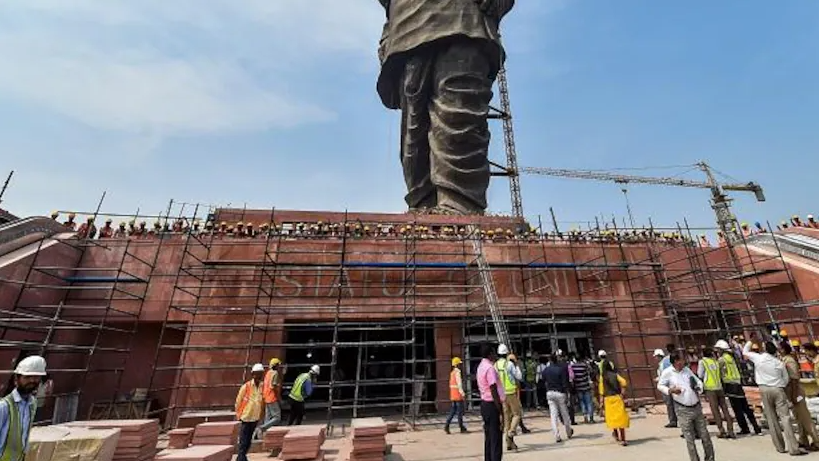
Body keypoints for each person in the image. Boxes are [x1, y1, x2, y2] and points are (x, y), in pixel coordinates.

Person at [375, 0, 516, 215]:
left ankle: (460, 204)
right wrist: (387, 32)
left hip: (464, 18)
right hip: (406, 22)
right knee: (415, 125)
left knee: (458, 114)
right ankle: (423, 204)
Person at [744, 339, 807, 456]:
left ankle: (780, 447)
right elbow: (786, 379)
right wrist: (779, 385)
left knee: (772, 419)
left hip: (764, 389)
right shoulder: (779, 363)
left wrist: (751, 341)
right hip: (778, 389)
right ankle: (793, 448)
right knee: (785, 418)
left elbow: (745, 351)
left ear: (765, 349)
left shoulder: (758, 358)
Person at [658, 352, 714, 461]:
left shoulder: (687, 370)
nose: (684, 362)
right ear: (675, 362)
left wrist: (699, 387)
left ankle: (710, 458)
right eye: (682, 360)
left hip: (696, 407)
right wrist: (670, 390)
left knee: (705, 436)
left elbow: (698, 381)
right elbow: (660, 385)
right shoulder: (668, 372)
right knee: (689, 438)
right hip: (682, 409)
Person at [0, 356, 46, 460]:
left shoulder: (32, 403)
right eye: (28, 377)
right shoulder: (4, 407)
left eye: (36, 377)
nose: (32, 381)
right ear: (17, 379)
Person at [714, 340, 760, 436]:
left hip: (730, 385)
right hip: (738, 383)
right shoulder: (733, 357)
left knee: (737, 409)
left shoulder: (722, 360)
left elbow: (718, 371)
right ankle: (756, 428)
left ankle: (744, 428)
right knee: (745, 407)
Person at [780, 342, 819, 451]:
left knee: (805, 418)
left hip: (796, 394)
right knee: (798, 418)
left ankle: (816, 441)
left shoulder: (790, 361)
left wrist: (794, 396)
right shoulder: (786, 360)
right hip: (792, 394)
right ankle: (803, 439)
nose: (804, 353)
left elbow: (794, 380)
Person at [697, 347, 735, 438]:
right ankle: (731, 431)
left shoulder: (703, 362)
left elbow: (700, 374)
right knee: (725, 409)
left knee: (715, 411)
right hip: (719, 388)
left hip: (710, 389)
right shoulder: (716, 362)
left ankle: (722, 430)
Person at [477, 343, 504, 461]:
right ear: (490, 354)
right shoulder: (490, 368)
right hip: (492, 404)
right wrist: (500, 409)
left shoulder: (481, 366)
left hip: (485, 404)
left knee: (488, 437)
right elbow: (493, 389)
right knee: (496, 438)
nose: (495, 355)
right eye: (493, 352)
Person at [235, 363, 265, 461]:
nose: (259, 376)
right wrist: (238, 414)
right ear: (253, 374)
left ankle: (241, 457)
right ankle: (241, 458)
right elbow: (238, 401)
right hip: (246, 416)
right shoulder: (246, 386)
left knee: (248, 441)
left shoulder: (262, 386)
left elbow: (262, 401)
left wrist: (261, 415)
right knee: (243, 440)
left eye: (260, 374)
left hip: (255, 417)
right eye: (257, 374)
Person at [494, 345, 521, 450]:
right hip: (511, 393)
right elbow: (519, 376)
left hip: (501, 394)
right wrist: (516, 363)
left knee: (507, 419)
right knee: (517, 414)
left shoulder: (495, 365)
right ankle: (511, 432)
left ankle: (508, 443)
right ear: (506, 354)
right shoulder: (509, 364)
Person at [541, 354, 573, 443]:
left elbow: (543, 379)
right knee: (564, 414)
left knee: (553, 415)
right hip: (560, 392)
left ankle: (557, 435)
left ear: (549, 361)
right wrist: (567, 393)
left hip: (550, 392)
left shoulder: (546, 370)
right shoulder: (560, 369)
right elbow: (564, 382)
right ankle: (568, 431)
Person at [600, 360, 629, 446]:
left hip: (608, 399)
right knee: (621, 419)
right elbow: (624, 382)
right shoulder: (615, 375)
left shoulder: (603, 377)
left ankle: (616, 435)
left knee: (613, 419)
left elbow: (601, 391)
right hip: (617, 398)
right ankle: (623, 439)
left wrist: (601, 403)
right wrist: (622, 394)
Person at [259, 358, 283, 432]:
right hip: (272, 398)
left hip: (266, 397)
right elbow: (274, 387)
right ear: (276, 365)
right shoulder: (275, 373)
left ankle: (263, 435)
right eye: (278, 365)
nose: (279, 367)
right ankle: (262, 428)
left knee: (268, 418)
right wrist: (278, 397)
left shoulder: (268, 372)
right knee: (277, 417)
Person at [445, 357, 467, 434]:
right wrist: (463, 394)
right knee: (460, 413)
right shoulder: (458, 373)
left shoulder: (452, 373)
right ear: (457, 365)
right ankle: (461, 427)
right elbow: (459, 384)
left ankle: (447, 425)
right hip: (458, 395)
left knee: (453, 411)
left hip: (453, 395)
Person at [571, 353, 594, 423]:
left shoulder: (573, 367)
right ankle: (591, 418)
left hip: (578, 387)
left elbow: (572, 377)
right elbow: (591, 372)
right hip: (586, 386)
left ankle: (585, 417)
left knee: (582, 402)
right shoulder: (585, 365)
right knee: (589, 402)